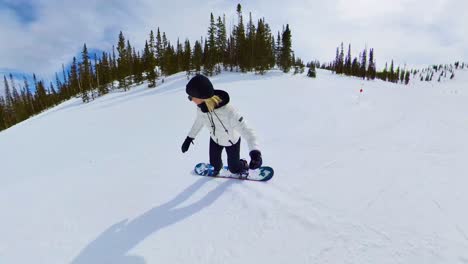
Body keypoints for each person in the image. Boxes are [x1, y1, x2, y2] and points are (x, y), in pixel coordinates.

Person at [181, 74, 263, 176]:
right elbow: (198, 123)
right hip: (215, 140)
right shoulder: (201, 109)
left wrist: (255, 153)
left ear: (202, 97)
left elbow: (248, 131)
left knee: (234, 168)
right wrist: (189, 138)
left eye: (191, 97)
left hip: (231, 142)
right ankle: (217, 168)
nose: (190, 99)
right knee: (214, 164)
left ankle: (243, 165)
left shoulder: (229, 112)